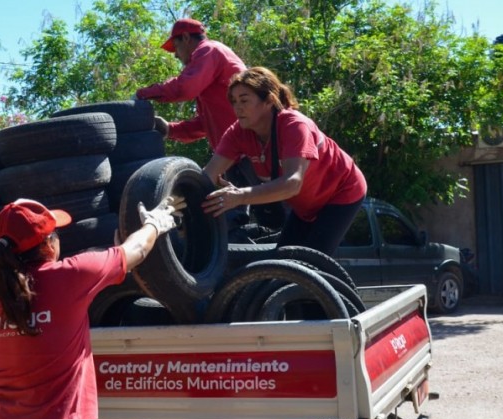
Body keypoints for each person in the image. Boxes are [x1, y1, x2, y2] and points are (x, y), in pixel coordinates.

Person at [0, 197, 183, 419]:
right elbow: (136, 250)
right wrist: (154, 224)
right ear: (48, 244)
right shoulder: (72, 275)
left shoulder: (4, 293)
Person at [202, 66, 367, 256]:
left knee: (310, 263)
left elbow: (291, 184)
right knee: (282, 261)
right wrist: (174, 203)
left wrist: (239, 196)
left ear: (269, 100)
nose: (237, 107)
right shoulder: (237, 132)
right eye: (234, 101)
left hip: (341, 193)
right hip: (305, 205)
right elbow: (207, 175)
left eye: (244, 100)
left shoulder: (294, 125)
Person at [135, 18, 247, 152]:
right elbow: (204, 124)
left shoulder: (208, 50)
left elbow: (184, 88)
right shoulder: (210, 61)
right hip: (236, 154)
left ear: (186, 37)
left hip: (250, 150)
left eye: (176, 46)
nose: (176, 55)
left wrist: (141, 94)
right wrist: (170, 129)